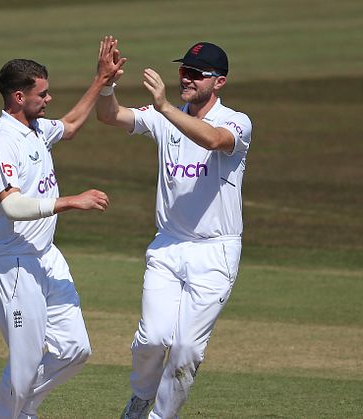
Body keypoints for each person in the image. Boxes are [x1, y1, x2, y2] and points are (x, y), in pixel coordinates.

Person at [96, 41, 253, 418]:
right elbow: (109, 116)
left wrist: (165, 108)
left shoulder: (237, 121)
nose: (187, 78)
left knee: (186, 349)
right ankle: (140, 397)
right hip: (168, 246)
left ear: (219, 82)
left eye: (196, 74)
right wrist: (105, 85)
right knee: (151, 339)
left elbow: (214, 140)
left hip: (215, 250)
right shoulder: (163, 115)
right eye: (184, 71)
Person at [0, 36, 125, 419]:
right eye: (41, 94)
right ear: (17, 96)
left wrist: (101, 79)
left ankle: (20, 409)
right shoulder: (3, 142)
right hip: (13, 263)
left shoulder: (36, 129)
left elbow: (74, 124)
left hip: (46, 257)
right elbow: (11, 204)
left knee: (76, 349)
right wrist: (70, 201)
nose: (48, 100)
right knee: (25, 362)